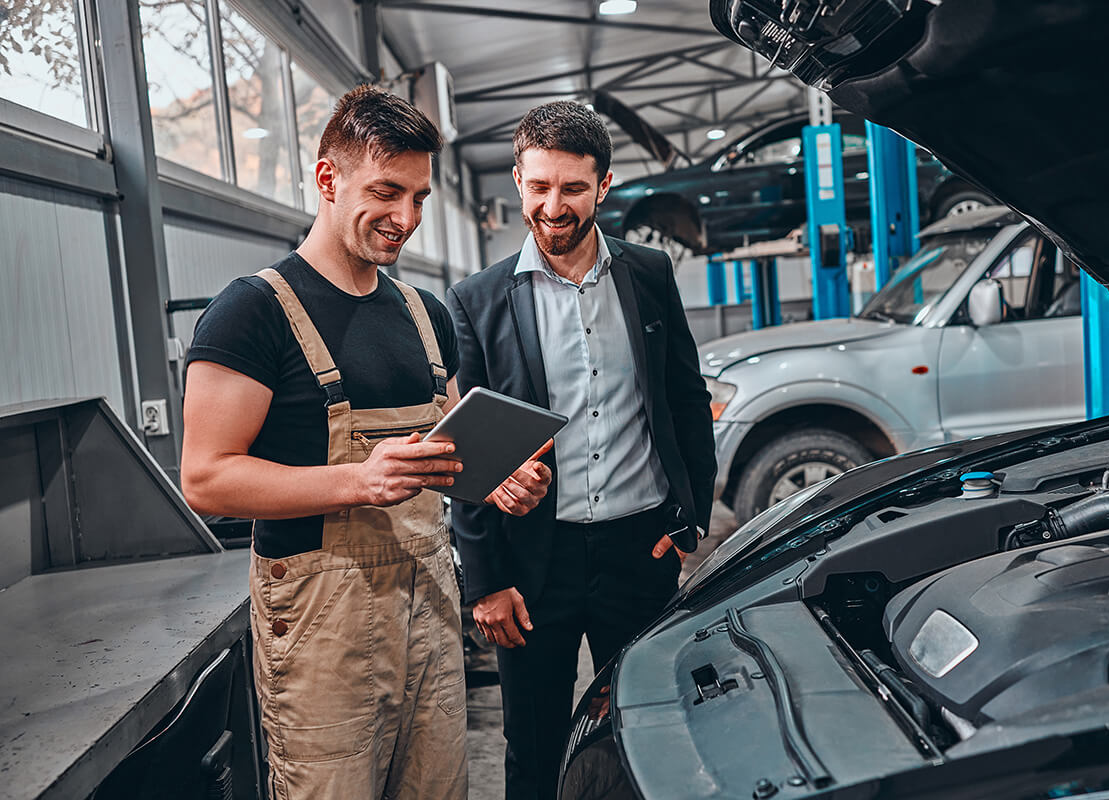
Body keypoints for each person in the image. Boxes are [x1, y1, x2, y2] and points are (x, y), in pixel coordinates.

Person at [180, 85, 551, 800]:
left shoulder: (424, 314)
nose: (405, 218)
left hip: (429, 608)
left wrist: (496, 479)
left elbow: (445, 448)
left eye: (418, 197)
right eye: (386, 192)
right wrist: (357, 481)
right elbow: (205, 478)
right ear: (329, 178)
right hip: (323, 629)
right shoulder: (251, 313)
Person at [446, 101, 717, 799]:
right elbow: (466, 454)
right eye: (538, 187)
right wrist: (484, 581)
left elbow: (686, 401)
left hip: (640, 551)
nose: (553, 205)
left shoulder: (649, 275)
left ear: (603, 184)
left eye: (571, 188)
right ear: (517, 181)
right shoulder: (477, 302)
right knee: (532, 746)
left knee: (649, 730)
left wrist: (689, 518)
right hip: (534, 564)